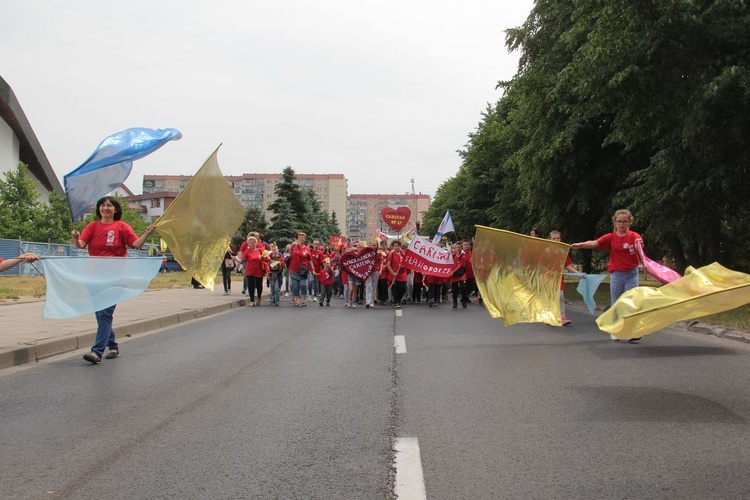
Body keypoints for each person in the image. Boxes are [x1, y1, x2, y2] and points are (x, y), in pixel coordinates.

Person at [70, 196, 155, 364]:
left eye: (109, 205)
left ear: (115, 209)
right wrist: (75, 236)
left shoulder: (122, 226)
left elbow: (135, 244)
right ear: (99, 209)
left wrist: (146, 233)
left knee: (105, 313)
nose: (105, 208)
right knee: (101, 313)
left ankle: (97, 352)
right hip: (93, 277)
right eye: (102, 205)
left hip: (116, 277)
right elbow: (80, 245)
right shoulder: (93, 226)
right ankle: (113, 345)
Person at [571, 209, 643, 341]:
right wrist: (581, 245)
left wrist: (639, 245)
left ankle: (631, 331)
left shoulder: (634, 236)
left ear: (629, 222)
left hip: (632, 273)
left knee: (631, 302)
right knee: (616, 302)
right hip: (617, 274)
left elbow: (639, 244)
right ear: (615, 222)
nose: (622, 224)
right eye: (619, 221)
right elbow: (595, 243)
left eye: (625, 221)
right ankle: (615, 330)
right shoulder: (610, 237)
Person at [549, 231, 578, 326]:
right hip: (548, 279)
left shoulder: (562, 252)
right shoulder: (547, 251)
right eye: (554, 238)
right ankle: (550, 316)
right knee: (551, 298)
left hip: (559, 279)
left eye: (558, 238)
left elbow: (568, 266)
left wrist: (579, 273)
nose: (556, 240)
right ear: (550, 240)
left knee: (560, 297)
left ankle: (562, 317)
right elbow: (541, 266)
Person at [288, 232, 316, 307]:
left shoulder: (307, 248)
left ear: (305, 239)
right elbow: (288, 255)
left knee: (303, 285)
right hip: (294, 269)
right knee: (295, 286)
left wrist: (312, 269)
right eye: (300, 237)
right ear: (297, 238)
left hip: (303, 271)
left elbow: (309, 260)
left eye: (303, 237)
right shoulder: (293, 247)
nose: (301, 238)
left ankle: (304, 299)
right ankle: (296, 300)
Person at [242, 236, 268, 307]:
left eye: (254, 243)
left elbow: (266, 257)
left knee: (259, 286)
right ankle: (252, 301)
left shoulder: (260, 250)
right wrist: (235, 259)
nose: (252, 244)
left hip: (259, 270)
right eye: (251, 243)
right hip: (250, 270)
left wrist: (263, 258)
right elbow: (243, 261)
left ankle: (259, 298)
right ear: (248, 244)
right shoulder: (247, 252)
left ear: (256, 243)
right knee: (251, 286)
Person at [386, 240, 408, 308]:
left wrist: (403, 266)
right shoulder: (391, 254)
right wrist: (393, 273)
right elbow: (388, 265)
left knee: (403, 288)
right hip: (394, 275)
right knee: (395, 289)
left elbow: (406, 263)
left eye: (398, 246)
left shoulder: (403, 254)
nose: (397, 247)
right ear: (393, 247)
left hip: (402, 275)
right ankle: (396, 302)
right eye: (395, 246)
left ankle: (398, 300)